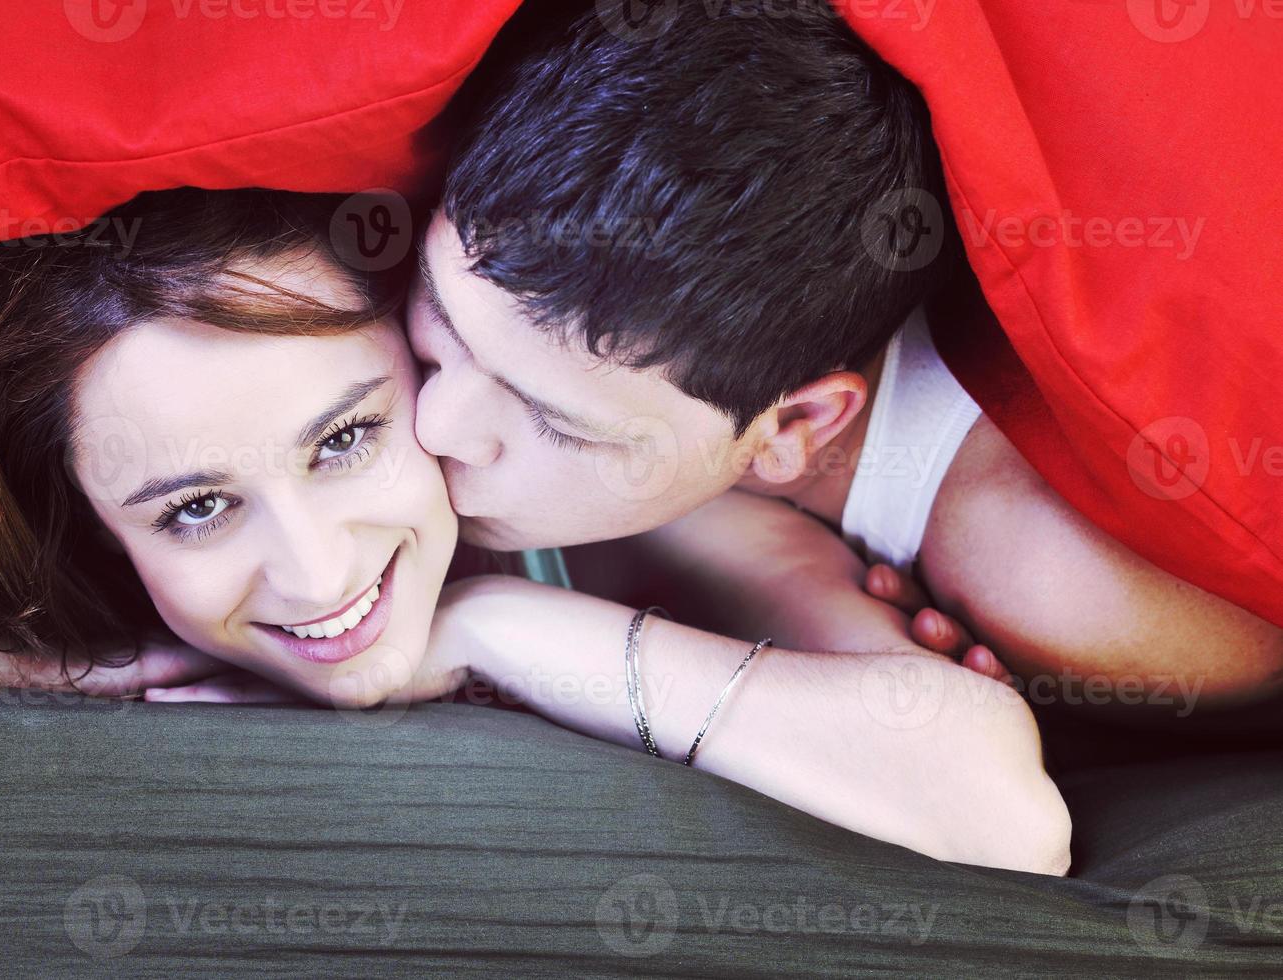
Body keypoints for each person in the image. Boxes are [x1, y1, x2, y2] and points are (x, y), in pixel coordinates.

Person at [0, 187, 1067, 874]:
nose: (317, 569)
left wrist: (498, 624)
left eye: (348, 439)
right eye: (192, 509)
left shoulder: (606, 518)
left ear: (426, 370)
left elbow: (996, 810)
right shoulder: (30, 524)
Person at [406, 0, 1283, 725]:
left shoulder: (1048, 573)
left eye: (552, 421)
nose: (433, 422)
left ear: (792, 429)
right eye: (440, 317)